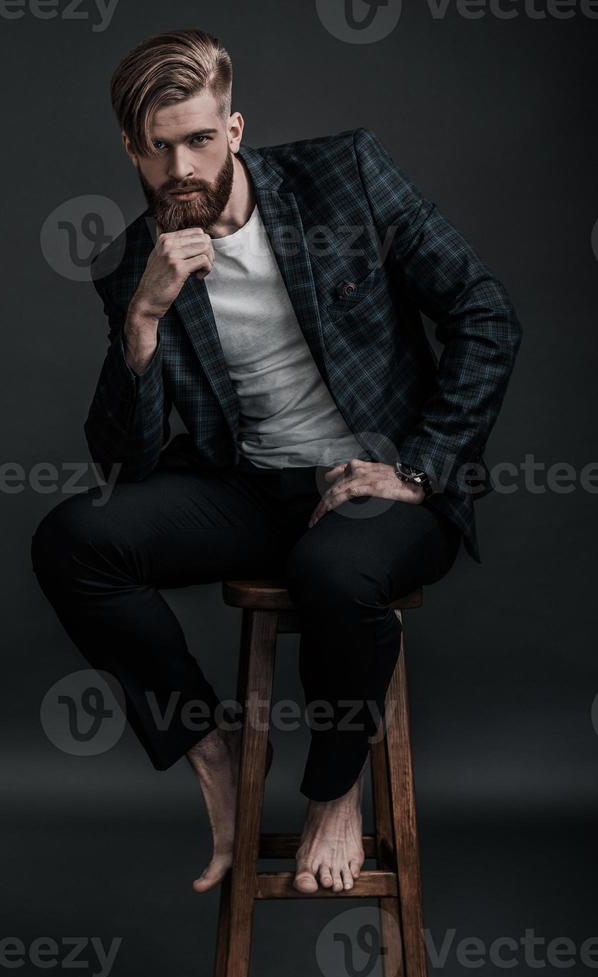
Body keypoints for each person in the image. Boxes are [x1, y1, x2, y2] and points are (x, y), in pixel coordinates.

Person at [31, 28, 522, 896]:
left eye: (201, 139)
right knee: (74, 538)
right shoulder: (129, 266)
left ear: (236, 127)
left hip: (380, 485)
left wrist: (418, 468)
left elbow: (485, 314)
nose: (182, 167)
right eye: (160, 148)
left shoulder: (347, 178)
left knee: (333, 569)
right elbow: (126, 462)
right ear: (131, 150)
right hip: (250, 487)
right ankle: (211, 753)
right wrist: (142, 322)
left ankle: (336, 790)